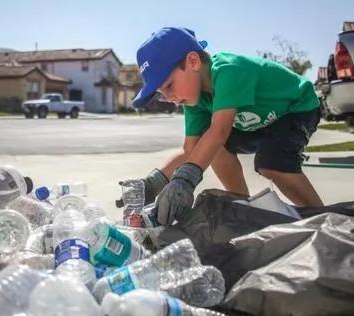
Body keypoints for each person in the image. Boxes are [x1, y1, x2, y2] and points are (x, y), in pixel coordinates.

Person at [117, 27, 323, 226]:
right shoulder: (194, 101)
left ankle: (322, 218)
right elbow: (191, 150)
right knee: (211, 146)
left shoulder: (228, 70)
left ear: (193, 61)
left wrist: (186, 181)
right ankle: (244, 207)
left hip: (296, 108)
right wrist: (155, 182)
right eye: (162, 93)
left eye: (169, 85)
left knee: (272, 162)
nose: (170, 98)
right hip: (258, 122)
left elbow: (220, 130)